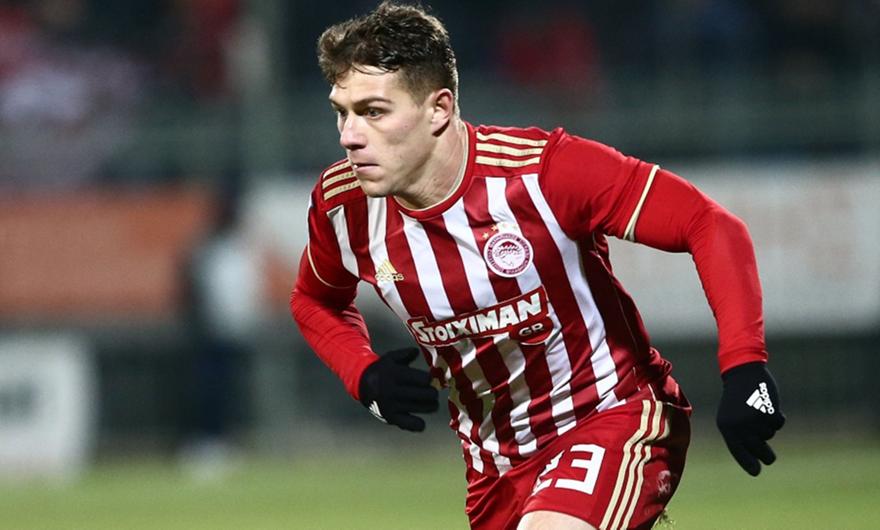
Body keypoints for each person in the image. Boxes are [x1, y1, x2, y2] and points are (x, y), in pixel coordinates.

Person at [290, 3, 785, 529]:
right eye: (342, 112)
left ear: (439, 109)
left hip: (611, 417)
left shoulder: (543, 173)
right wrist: (363, 374)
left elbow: (710, 225)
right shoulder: (343, 205)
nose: (349, 135)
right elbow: (314, 299)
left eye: (373, 112)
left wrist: (744, 367)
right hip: (495, 467)